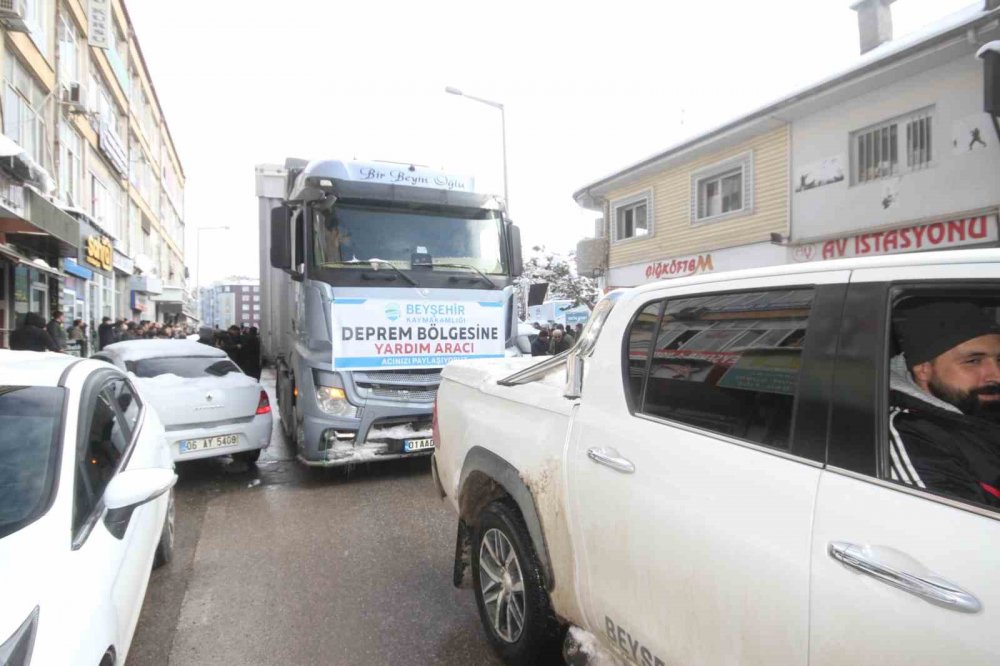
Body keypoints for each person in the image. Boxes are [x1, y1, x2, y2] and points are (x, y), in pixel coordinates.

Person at [889, 301, 1000, 508]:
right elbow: (956, 523)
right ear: (924, 369)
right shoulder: (908, 433)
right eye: (973, 361)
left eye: (999, 360)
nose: (996, 376)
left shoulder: (978, 406)